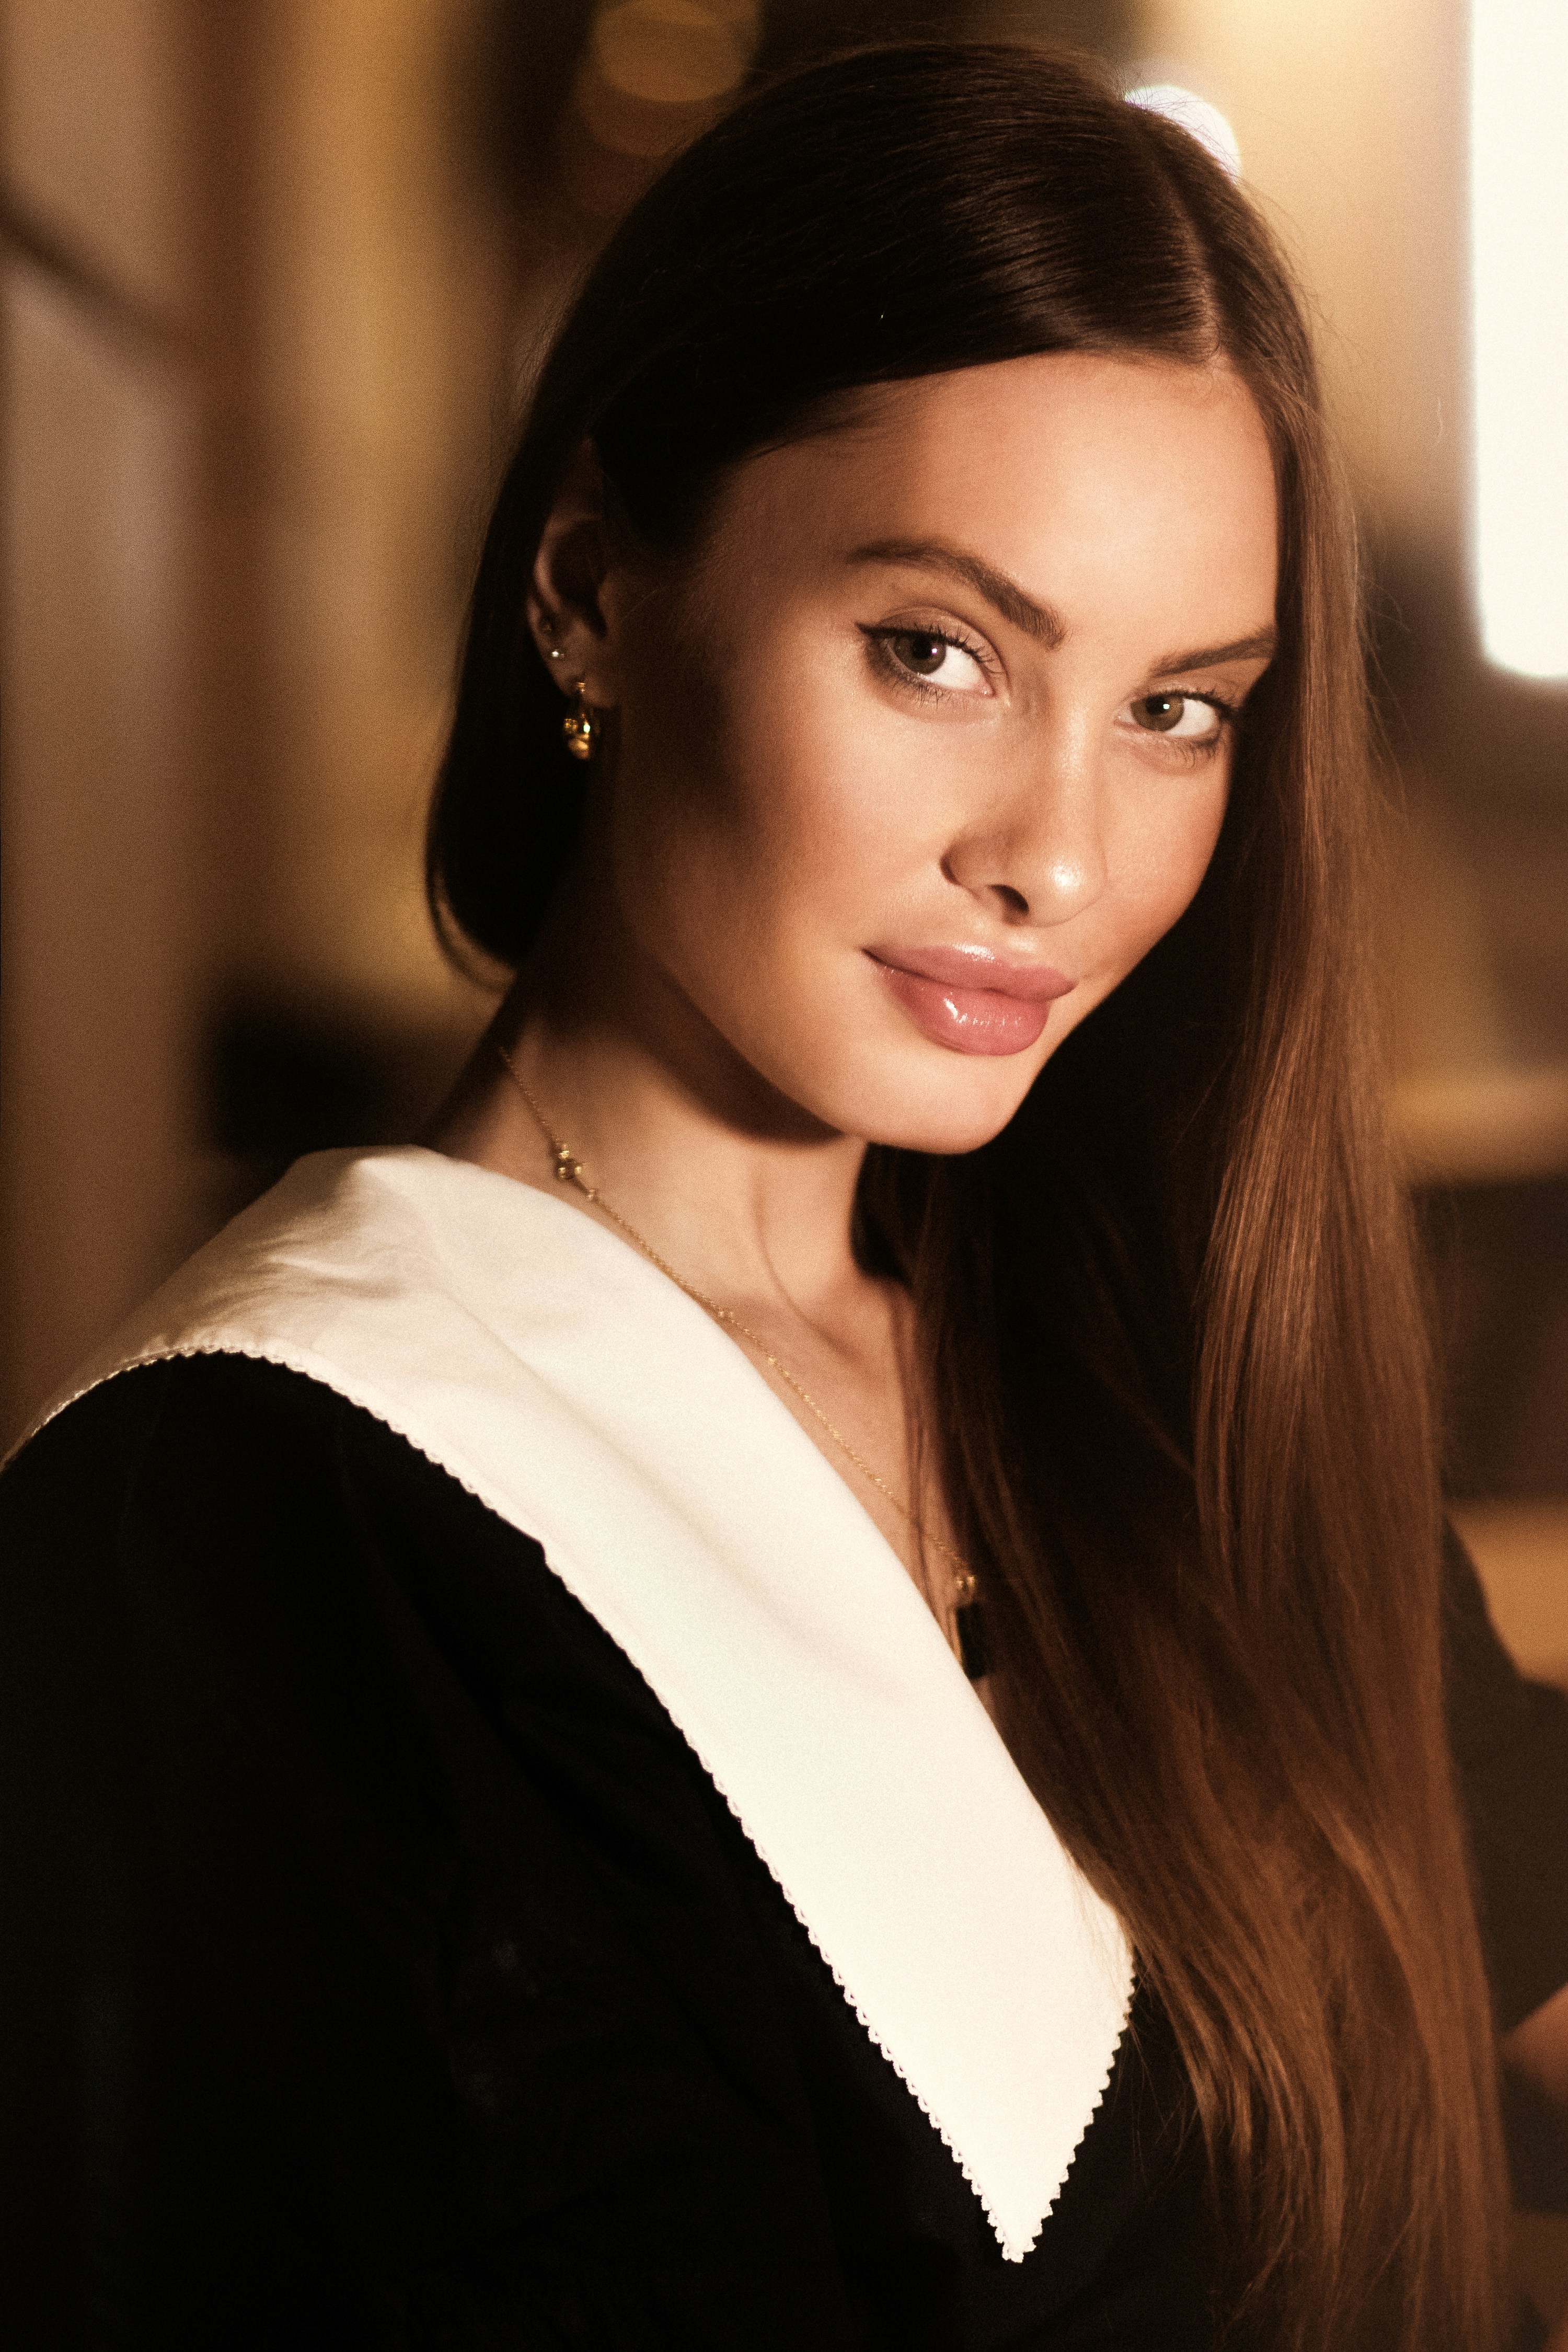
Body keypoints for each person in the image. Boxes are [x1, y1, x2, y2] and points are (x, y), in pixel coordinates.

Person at [2, 41, 1566, 2352]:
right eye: (939, 650)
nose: (1054, 853)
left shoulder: (1143, 1376)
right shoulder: (246, 1547)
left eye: (1181, 710)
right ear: (590, 594)